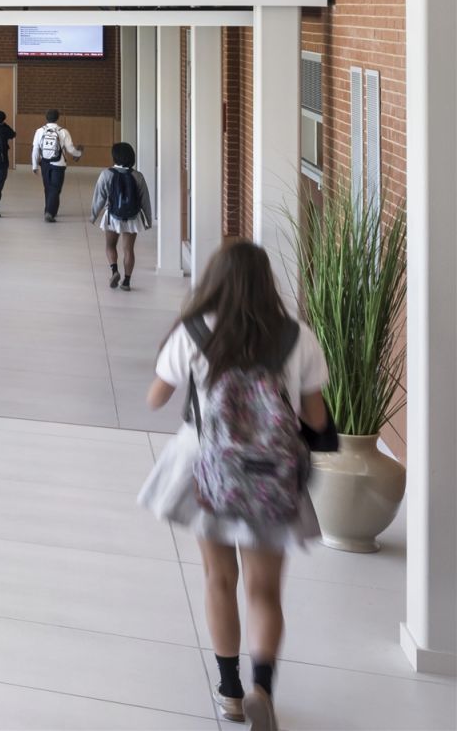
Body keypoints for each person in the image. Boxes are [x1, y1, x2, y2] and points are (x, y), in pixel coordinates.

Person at [139, 240, 329, 729]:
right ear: (267, 283)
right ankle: (263, 683)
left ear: (215, 281)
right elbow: (316, 419)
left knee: (219, 579)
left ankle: (230, 692)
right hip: (270, 477)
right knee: (265, 591)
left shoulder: (194, 331)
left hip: (209, 471)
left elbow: (155, 400)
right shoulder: (297, 336)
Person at [92, 141, 154, 291]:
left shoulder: (106, 174)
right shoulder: (138, 176)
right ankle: (126, 281)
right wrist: (148, 220)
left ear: (115, 157)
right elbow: (145, 200)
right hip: (133, 218)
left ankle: (114, 271)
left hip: (112, 217)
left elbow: (99, 197)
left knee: (110, 245)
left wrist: (94, 215)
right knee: (128, 250)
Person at [29, 108, 83, 222]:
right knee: (55, 188)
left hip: (45, 163)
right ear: (58, 118)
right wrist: (79, 153)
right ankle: (50, 212)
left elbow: (35, 149)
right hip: (59, 163)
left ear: (46, 117)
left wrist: (34, 165)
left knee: (48, 187)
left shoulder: (40, 131)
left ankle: (49, 210)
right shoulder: (63, 131)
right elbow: (70, 149)